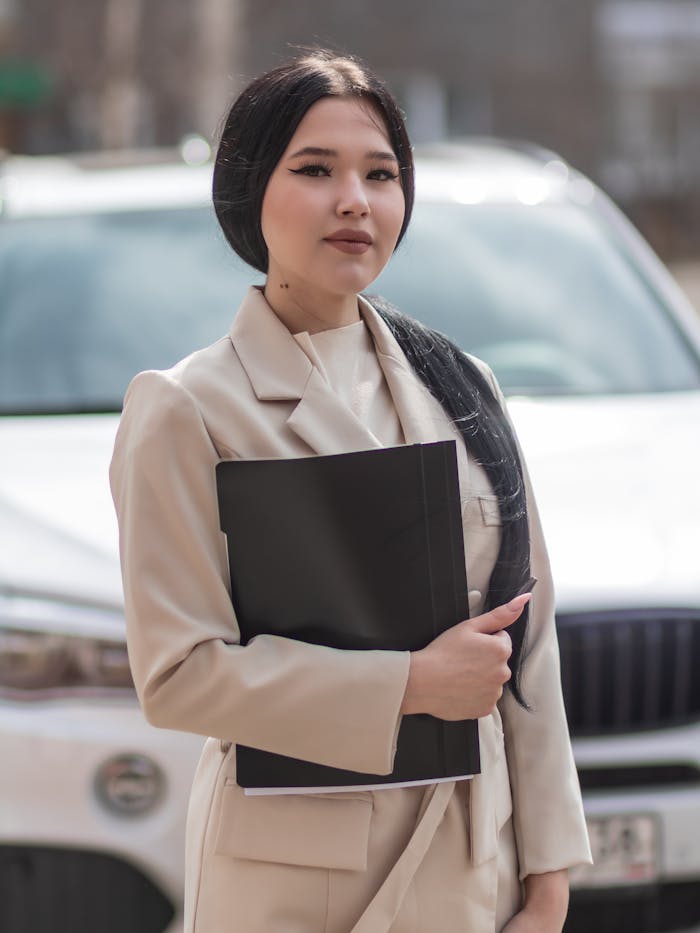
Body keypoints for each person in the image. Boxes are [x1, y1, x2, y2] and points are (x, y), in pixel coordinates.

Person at [110, 49, 591, 933]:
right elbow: (178, 675)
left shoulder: (462, 385)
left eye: (381, 174)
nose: (354, 201)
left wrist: (550, 882)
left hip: (470, 868)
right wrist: (409, 684)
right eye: (315, 170)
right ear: (250, 190)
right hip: (292, 884)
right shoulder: (186, 409)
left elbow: (530, 644)